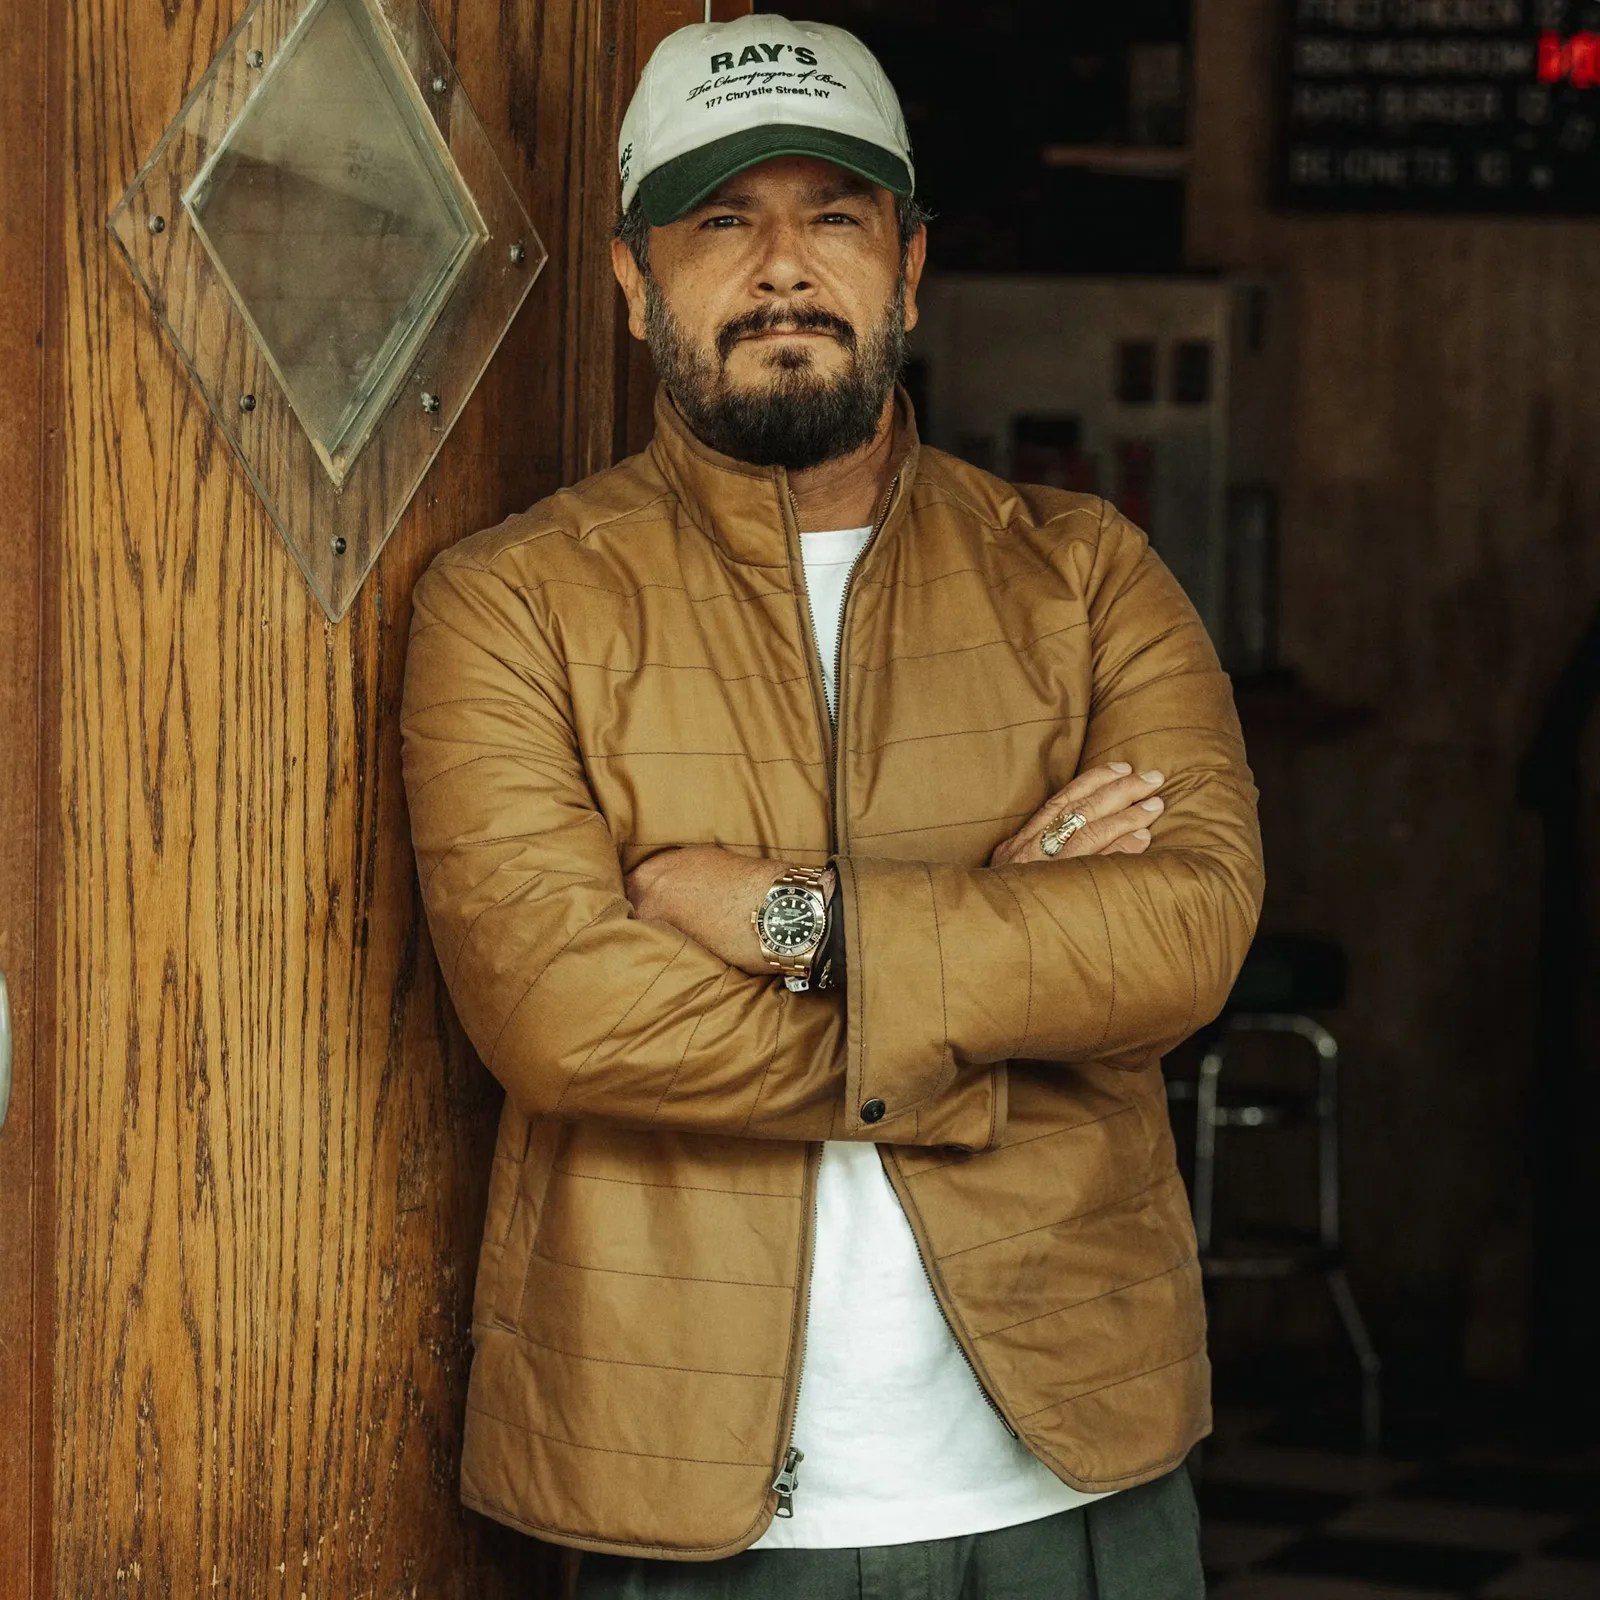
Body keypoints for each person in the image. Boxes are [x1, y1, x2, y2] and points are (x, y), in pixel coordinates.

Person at [401, 15, 1263, 1597]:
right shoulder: (512, 603)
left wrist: (800, 925)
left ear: (911, 268)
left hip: (1071, 1465)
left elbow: (1187, 934)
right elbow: (561, 1011)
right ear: (631, 278)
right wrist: (994, 1001)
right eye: (723, 219)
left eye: (835, 217)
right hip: (697, 1491)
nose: (783, 269)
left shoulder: (1083, 574)